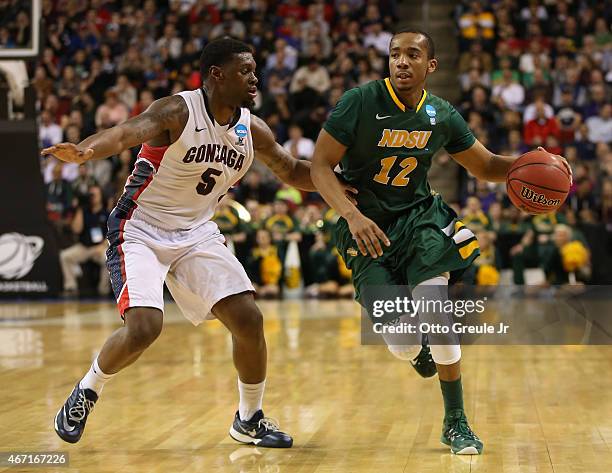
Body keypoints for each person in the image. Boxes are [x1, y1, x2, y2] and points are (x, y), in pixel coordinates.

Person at [42, 37, 354, 449]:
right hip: (139, 228)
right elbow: (124, 134)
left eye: (255, 69)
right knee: (144, 328)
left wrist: (341, 182)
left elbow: (293, 170)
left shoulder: (251, 129)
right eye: (245, 70)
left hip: (195, 232)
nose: (255, 78)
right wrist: (85, 151)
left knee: (248, 319)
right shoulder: (177, 111)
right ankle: (86, 391)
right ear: (216, 75)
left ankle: (249, 418)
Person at [310, 29, 571, 455]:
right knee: (402, 340)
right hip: (366, 226)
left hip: (420, 221)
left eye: (412, 55)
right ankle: (417, 353)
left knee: (437, 314)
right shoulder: (359, 102)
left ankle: (456, 422)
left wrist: (531, 163)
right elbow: (321, 166)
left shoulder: (441, 113)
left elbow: (485, 165)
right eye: (395, 54)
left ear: (431, 65)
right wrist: (351, 216)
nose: (401, 62)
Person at [59, 185, 110, 297]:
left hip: (100, 247)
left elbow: (112, 234)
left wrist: (102, 245)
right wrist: (80, 209)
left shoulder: (106, 213)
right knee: (65, 256)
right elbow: (76, 229)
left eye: (95, 195)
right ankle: (70, 287)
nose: (92, 197)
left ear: (101, 196)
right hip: (84, 247)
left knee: (108, 258)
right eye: (90, 195)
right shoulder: (84, 211)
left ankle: (103, 290)